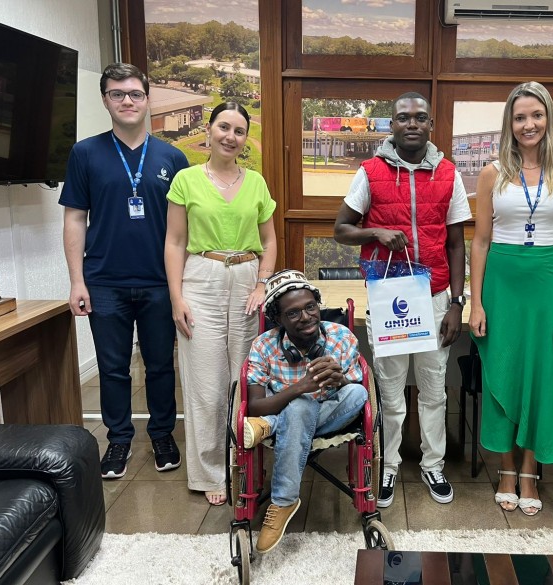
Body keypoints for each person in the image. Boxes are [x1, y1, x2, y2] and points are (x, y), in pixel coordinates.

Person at [334, 92, 471, 507]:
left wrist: (457, 303)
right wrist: (375, 232)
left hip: (434, 296)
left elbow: (457, 244)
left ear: (430, 125)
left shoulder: (449, 174)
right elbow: (341, 229)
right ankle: (388, 464)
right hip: (389, 294)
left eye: (420, 117)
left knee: (434, 389)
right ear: (391, 125)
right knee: (390, 390)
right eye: (403, 117)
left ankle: (433, 464)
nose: (412, 123)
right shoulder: (370, 172)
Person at [60, 63, 188, 479]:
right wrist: (77, 281)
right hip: (104, 281)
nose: (127, 101)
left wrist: (181, 286)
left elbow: (184, 228)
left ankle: (162, 434)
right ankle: (118, 440)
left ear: (148, 100)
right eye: (117, 94)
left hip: (159, 281)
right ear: (105, 101)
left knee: (160, 366)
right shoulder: (85, 153)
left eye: (135, 93)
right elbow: (75, 218)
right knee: (112, 368)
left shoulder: (173, 157)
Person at [468, 82, 553, 516]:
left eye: (536, 115)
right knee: (504, 369)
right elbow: (480, 241)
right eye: (520, 117)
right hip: (502, 283)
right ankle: (505, 468)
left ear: (548, 118)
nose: (528, 124)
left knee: (542, 376)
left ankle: (531, 468)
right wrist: (476, 302)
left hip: (548, 281)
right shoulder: (492, 172)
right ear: (510, 123)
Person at [164, 101, 277, 506]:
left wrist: (262, 283)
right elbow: (175, 241)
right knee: (206, 384)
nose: (231, 136)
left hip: (247, 279)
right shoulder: (186, 180)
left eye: (239, 131)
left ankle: (244, 464)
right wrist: (176, 296)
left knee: (245, 379)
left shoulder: (257, 183)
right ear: (209, 130)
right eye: (224, 127)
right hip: (201, 278)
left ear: (246, 138)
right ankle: (211, 471)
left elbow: (269, 241)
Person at [242, 270, 368, 553]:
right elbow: (254, 405)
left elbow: (354, 390)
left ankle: (270, 425)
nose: (306, 317)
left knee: (358, 393)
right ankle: (284, 501)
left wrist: (340, 379)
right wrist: (300, 388)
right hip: (291, 411)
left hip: (331, 410)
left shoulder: (341, 337)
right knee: (300, 406)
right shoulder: (263, 346)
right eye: (293, 313)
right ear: (278, 319)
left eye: (311, 307)